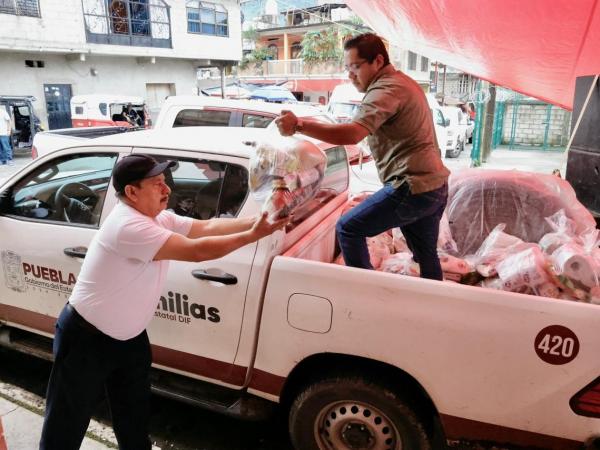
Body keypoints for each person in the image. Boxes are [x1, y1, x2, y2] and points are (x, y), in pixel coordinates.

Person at [39, 154, 287, 450]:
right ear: (132, 192)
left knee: (133, 419)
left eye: (164, 181)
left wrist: (259, 221)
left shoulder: (157, 217)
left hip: (130, 339)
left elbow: (205, 228)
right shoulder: (127, 226)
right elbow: (196, 251)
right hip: (87, 339)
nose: (167, 188)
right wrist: (254, 235)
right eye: (156, 183)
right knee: (65, 426)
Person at [275, 33, 450, 280]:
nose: (351, 75)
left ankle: (364, 291)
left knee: (348, 228)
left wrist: (299, 125)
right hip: (433, 186)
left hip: (412, 186)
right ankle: (433, 300)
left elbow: (353, 133)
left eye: (356, 67)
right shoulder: (402, 83)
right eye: (348, 69)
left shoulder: (387, 88)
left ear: (378, 61)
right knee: (425, 256)